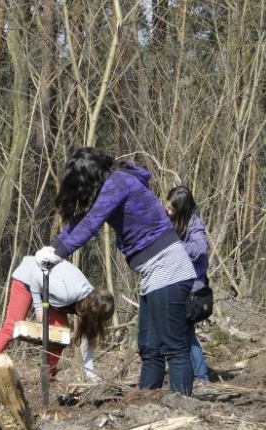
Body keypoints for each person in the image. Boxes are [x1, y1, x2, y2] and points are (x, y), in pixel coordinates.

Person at [35, 147, 196, 396]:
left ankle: (184, 407)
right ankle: (146, 406)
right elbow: (83, 219)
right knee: (150, 348)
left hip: (169, 268)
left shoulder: (119, 182)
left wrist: (59, 254)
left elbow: (91, 223)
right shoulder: (112, 186)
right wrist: (53, 248)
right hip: (152, 273)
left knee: (174, 348)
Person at [0, 256, 114, 380]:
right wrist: (39, 308)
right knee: (13, 326)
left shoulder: (92, 302)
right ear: (91, 312)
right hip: (29, 277)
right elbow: (36, 278)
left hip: (50, 289)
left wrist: (91, 374)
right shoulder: (67, 294)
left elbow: (87, 339)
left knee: (61, 336)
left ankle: (47, 377)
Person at [165, 186, 210, 382]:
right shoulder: (173, 222)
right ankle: (195, 373)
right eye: (167, 206)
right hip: (177, 286)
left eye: (172, 209)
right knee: (183, 333)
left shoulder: (194, 224)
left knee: (186, 334)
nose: (168, 211)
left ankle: (201, 375)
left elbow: (201, 248)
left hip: (192, 290)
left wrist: (177, 247)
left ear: (182, 209)